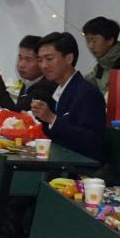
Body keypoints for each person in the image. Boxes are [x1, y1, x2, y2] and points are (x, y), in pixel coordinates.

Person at [32, 31, 107, 162]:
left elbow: (93, 142)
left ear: (69, 58)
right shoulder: (58, 89)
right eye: (40, 60)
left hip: (80, 169)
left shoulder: (88, 93)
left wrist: (52, 119)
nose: (43, 65)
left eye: (49, 59)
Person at [0, 35, 55, 112]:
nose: (21, 64)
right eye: (20, 58)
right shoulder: (28, 81)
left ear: (41, 62)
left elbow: (14, 115)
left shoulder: (46, 87)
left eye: (28, 59)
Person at [81, 16, 120, 94]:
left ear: (110, 40)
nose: (90, 46)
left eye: (94, 41)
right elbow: (85, 84)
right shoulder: (102, 65)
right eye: (88, 41)